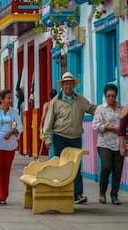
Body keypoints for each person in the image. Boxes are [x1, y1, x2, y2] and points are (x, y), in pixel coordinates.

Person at [41, 72, 97, 204]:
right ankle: (61, 192)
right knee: (61, 166)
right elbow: (48, 122)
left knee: (76, 166)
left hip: (76, 137)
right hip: (60, 137)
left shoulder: (80, 99)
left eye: (70, 83)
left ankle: (77, 194)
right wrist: (48, 139)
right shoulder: (55, 101)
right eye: (66, 84)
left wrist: (107, 108)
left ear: (73, 85)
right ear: (62, 86)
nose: (68, 86)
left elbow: (92, 108)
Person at [92, 84, 123, 205]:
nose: (111, 98)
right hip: (104, 143)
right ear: (105, 96)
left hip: (119, 143)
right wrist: (107, 127)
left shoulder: (122, 108)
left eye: (113, 96)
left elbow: (127, 124)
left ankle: (114, 195)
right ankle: (102, 192)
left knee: (118, 169)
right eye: (108, 96)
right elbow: (95, 125)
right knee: (106, 166)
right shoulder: (100, 109)